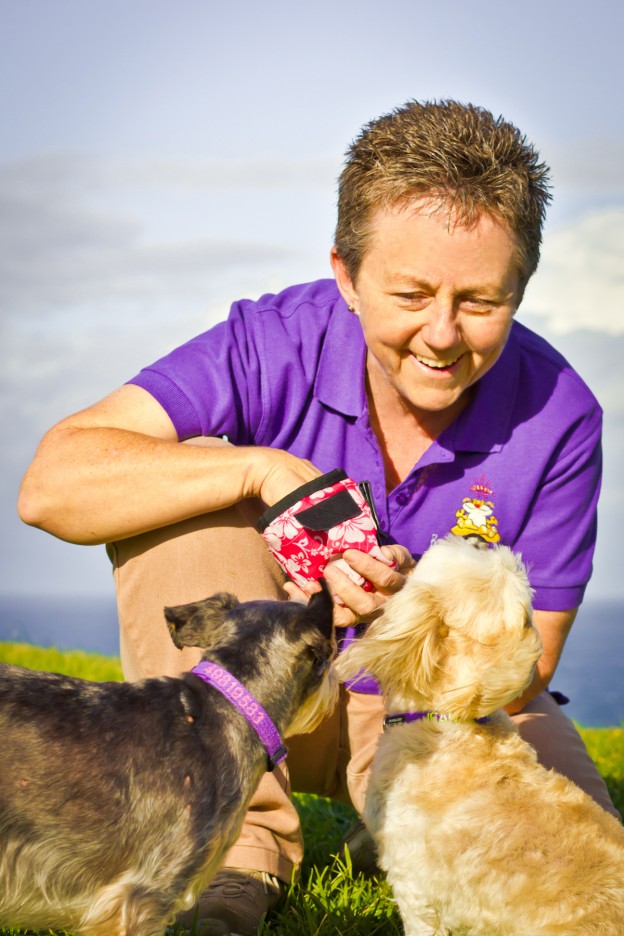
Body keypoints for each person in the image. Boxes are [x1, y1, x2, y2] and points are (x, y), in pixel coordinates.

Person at [18, 100, 619, 936]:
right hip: (253, 701)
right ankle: (237, 855)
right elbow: (53, 485)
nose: (442, 335)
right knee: (185, 508)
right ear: (345, 274)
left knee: (591, 880)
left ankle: (398, 823)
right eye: (409, 292)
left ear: (521, 287)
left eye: (482, 300)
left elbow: (528, 663)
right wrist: (259, 471)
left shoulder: (561, 412)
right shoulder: (274, 341)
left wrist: (409, 614)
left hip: (433, 715)